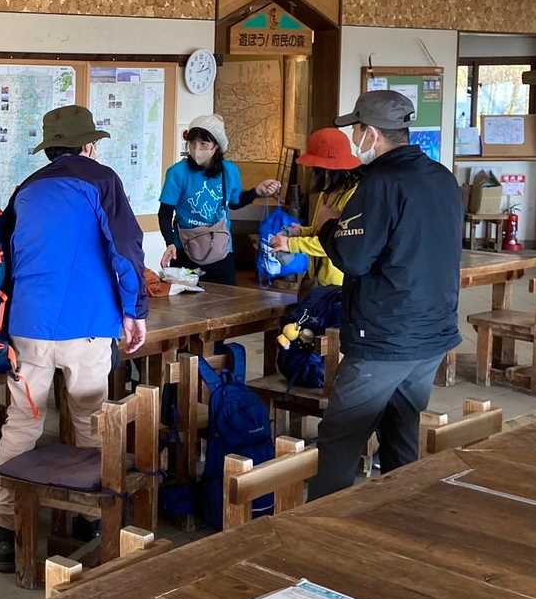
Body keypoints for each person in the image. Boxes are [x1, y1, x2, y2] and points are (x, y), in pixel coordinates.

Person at [0, 105, 146, 572]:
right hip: (88, 324)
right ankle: (88, 519)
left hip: (28, 325)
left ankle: (4, 528)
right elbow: (125, 250)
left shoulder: (26, 189)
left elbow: (7, 259)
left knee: (22, 421)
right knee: (90, 421)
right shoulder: (101, 180)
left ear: (49, 148)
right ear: (89, 145)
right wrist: (135, 311)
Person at [306, 91, 463, 499]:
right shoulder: (442, 177)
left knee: (340, 438)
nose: (354, 138)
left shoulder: (379, 183)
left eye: (356, 129)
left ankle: (320, 525)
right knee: (400, 430)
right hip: (433, 331)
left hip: (386, 335)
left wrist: (328, 225)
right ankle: (402, 515)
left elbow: (354, 258)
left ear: (372, 134)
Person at [157, 113, 281, 285]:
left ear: (216, 146)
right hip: (184, 250)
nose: (196, 149)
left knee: (225, 298)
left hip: (221, 252)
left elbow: (235, 203)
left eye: (203, 143)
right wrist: (169, 243)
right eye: (192, 143)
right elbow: (164, 213)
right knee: (185, 300)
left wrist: (256, 192)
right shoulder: (177, 172)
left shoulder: (229, 171)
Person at [268, 127, 362, 287]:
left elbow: (337, 244)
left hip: (336, 284)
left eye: (315, 168)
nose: (312, 172)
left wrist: (291, 244)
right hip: (317, 278)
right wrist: (301, 231)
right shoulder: (326, 192)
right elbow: (323, 231)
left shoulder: (353, 196)